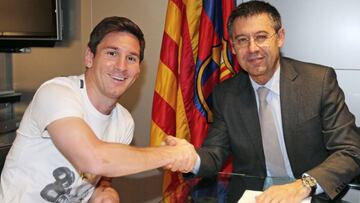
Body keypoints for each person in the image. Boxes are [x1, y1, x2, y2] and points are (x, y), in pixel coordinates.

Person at [165, 1, 360, 202]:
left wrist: (302, 186)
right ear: (232, 47)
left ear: (280, 37)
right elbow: (215, 153)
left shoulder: (318, 82)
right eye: (242, 40)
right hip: (254, 196)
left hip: (309, 193)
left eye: (261, 37)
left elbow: (350, 151)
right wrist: (190, 159)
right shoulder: (226, 94)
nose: (252, 48)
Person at [0, 16, 197, 203]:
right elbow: (94, 159)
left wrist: (103, 190)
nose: (121, 66)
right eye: (112, 53)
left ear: (138, 71)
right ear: (89, 57)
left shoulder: (124, 121)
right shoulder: (56, 92)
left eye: (131, 58)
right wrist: (172, 154)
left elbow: (103, 175)